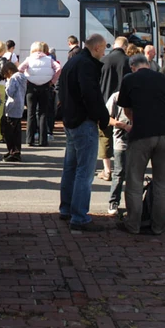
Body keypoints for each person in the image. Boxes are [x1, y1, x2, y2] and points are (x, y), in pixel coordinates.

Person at [117, 54, 165, 235]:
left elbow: (126, 108)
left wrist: (135, 120)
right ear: (148, 64)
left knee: (134, 180)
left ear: (132, 66)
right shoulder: (163, 78)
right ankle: (159, 225)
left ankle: (133, 223)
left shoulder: (130, 79)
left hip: (142, 133)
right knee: (163, 181)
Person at [58, 34, 110, 231]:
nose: (105, 52)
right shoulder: (86, 64)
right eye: (104, 48)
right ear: (96, 48)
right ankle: (79, 216)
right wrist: (102, 117)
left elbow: (63, 89)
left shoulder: (74, 62)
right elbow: (91, 94)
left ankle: (67, 208)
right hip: (82, 121)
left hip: (71, 120)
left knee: (71, 167)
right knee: (84, 171)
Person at [98, 37, 131, 180]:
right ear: (126, 46)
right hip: (124, 103)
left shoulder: (104, 60)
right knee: (123, 137)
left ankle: (107, 170)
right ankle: (122, 167)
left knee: (105, 136)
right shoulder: (128, 61)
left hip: (105, 100)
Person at [19, 42, 61, 147]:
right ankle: (43, 140)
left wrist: (26, 79)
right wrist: (52, 81)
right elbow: (59, 68)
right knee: (43, 114)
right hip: (45, 87)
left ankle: (30, 140)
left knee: (30, 113)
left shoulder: (29, 59)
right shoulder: (49, 59)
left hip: (31, 88)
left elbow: (20, 69)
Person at [105, 90, 132, 216]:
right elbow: (107, 117)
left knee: (135, 174)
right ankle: (113, 201)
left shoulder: (143, 93)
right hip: (121, 139)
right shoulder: (116, 97)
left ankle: (133, 204)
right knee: (119, 172)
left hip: (139, 140)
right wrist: (122, 125)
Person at [1, 62, 27, 162]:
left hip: (12, 107)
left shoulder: (13, 79)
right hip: (19, 107)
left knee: (9, 132)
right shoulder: (22, 77)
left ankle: (13, 151)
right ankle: (15, 151)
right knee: (16, 131)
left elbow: (10, 92)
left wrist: (7, 83)